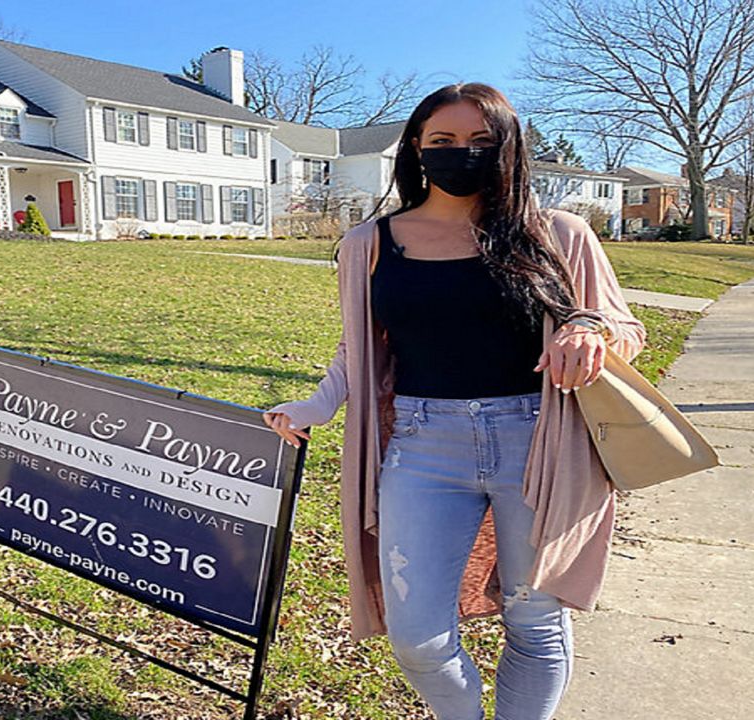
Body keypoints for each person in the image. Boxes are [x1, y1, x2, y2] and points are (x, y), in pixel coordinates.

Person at [261, 82, 646, 720]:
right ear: (416, 148)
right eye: (442, 139)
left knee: (535, 621)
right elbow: (361, 344)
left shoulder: (557, 234)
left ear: (508, 149)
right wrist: (319, 404)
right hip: (423, 448)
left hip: (539, 445)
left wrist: (590, 330)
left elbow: (624, 327)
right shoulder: (370, 243)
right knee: (416, 636)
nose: (461, 152)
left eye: (480, 140)